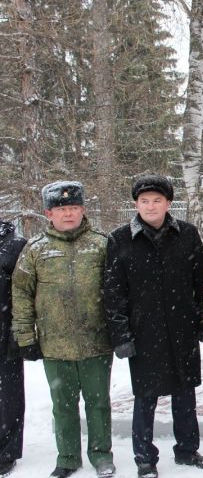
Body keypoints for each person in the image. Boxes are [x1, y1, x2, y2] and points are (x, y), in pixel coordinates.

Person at [103, 175, 203, 478]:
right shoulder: (120, 239)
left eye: (157, 200)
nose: (150, 206)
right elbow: (113, 293)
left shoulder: (187, 235)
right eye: (144, 201)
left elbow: (201, 282)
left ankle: (188, 449)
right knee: (146, 396)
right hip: (144, 331)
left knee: (185, 392)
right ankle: (144, 457)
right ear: (136, 204)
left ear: (168, 203)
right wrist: (121, 335)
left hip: (182, 327)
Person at [12, 181, 115, 478]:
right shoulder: (35, 250)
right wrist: (25, 337)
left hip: (96, 342)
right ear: (49, 213)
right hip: (54, 345)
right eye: (61, 209)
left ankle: (101, 455)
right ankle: (68, 457)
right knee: (63, 406)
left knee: (98, 403)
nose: (68, 214)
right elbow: (21, 294)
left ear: (82, 210)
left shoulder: (102, 244)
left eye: (73, 208)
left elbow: (118, 290)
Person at [0, 219, 27, 477]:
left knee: (8, 396)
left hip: (5, 332)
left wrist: (20, 331)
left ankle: (6, 450)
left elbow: (26, 291)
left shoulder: (15, 245)